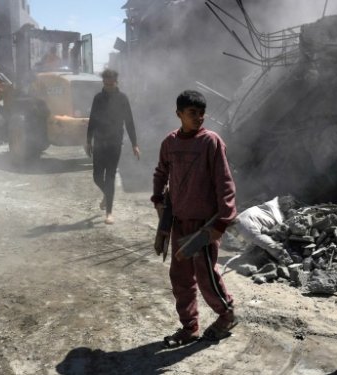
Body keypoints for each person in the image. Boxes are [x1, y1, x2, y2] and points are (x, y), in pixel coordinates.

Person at [151, 90, 237, 347]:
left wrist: (223, 221)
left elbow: (225, 182)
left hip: (205, 225)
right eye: (192, 113)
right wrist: (158, 198)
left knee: (206, 275)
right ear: (179, 114)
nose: (199, 118)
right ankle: (189, 326)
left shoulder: (211, 142)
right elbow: (161, 172)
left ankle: (227, 314)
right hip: (179, 221)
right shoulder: (170, 143)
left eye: (201, 113)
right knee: (180, 277)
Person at [86, 69, 140, 225]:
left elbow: (129, 122)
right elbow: (92, 120)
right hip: (99, 142)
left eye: (111, 83)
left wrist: (134, 144)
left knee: (109, 176)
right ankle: (107, 194)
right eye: (106, 83)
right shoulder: (98, 98)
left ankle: (109, 213)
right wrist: (88, 141)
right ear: (103, 82)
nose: (108, 86)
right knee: (97, 176)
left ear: (116, 82)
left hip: (115, 143)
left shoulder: (123, 99)